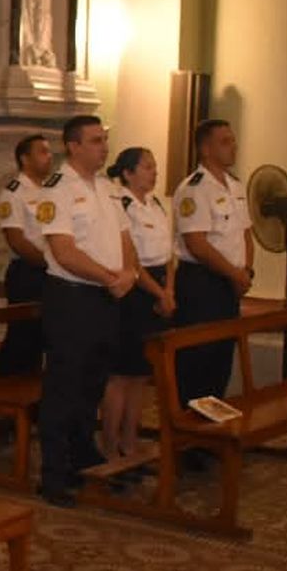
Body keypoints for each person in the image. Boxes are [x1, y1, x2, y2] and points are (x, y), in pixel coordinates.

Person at [36, 115, 139, 507]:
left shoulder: (109, 189)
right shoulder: (57, 190)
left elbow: (125, 237)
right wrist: (110, 277)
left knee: (94, 382)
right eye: (95, 141)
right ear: (73, 146)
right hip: (72, 298)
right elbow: (63, 251)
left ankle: (82, 456)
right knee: (64, 385)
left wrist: (127, 272)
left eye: (105, 140)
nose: (104, 147)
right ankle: (54, 473)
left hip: (106, 298)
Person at [172, 119, 253, 406]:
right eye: (225, 141)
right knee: (197, 360)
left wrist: (246, 272)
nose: (234, 147)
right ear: (206, 149)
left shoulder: (235, 186)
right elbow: (197, 244)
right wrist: (234, 274)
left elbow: (245, 232)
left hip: (229, 284)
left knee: (221, 358)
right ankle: (190, 438)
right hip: (201, 284)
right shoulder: (194, 189)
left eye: (233, 140)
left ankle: (212, 433)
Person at [103, 147, 175, 461]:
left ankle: (130, 441)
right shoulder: (124, 205)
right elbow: (131, 260)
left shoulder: (156, 204)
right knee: (122, 373)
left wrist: (169, 289)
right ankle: (109, 444)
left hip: (160, 287)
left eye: (155, 166)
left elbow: (168, 253)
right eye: (147, 167)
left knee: (141, 375)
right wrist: (159, 294)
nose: (154, 172)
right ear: (128, 173)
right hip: (135, 291)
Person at [0, 134, 53, 376]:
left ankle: (37, 401)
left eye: (49, 152)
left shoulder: (52, 190)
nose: (49, 157)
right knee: (23, 338)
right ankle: (10, 399)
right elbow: (17, 240)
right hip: (28, 272)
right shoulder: (14, 193)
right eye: (42, 152)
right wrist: (51, 261)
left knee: (46, 337)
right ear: (24, 158)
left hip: (53, 272)